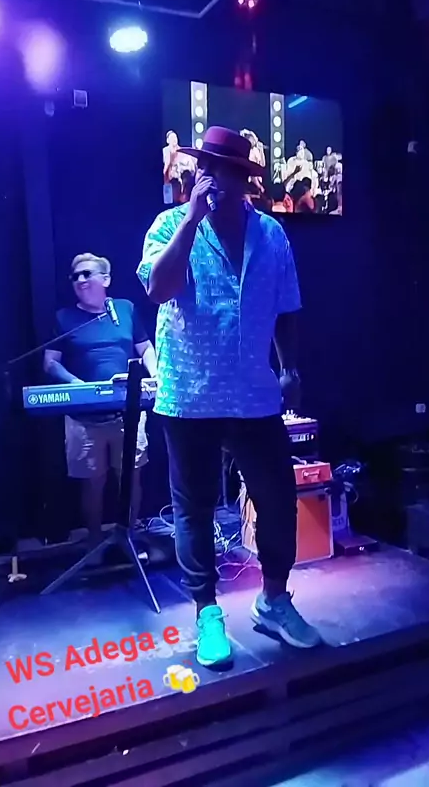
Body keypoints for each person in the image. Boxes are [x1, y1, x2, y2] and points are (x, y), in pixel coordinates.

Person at [137, 126, 320, 668]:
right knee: (194, 508)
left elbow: (286, 307)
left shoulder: (272, 235)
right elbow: (159, 289)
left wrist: (290, 367)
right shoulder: (169, 225)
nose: (213, 179)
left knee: (278, 500)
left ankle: (274, 600)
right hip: (189, 394)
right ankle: (206, 612)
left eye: (225, 171)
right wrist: (191, 219)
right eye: (207, 169)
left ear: (244, 179)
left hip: (253, 393)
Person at [44, 253, 157, 548]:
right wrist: (78, 386)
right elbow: (50, 362)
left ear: (105, 279)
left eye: (87, 274)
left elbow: (145, 349)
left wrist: (155, 375)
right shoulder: (64, 318)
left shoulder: (125, 309)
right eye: (75, 276)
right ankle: (94, 543)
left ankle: (129, 538)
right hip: (84, 418)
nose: (80, 280)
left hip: (128, 412)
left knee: (130, 478)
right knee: (92, 483)